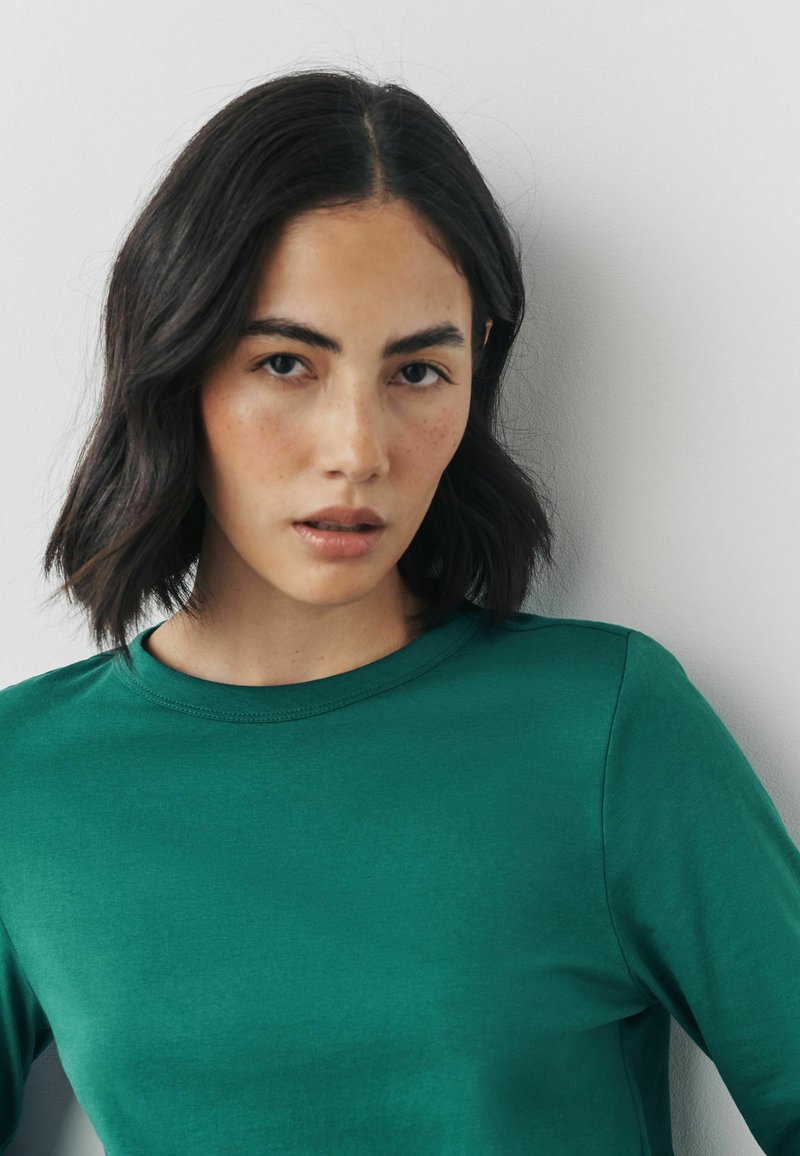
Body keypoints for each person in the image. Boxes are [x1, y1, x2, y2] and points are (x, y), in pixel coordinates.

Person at [1, 68, 798, 1156]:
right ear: (175, 367)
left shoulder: (604, 728)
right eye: (287, 362)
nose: (358, 450)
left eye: (417, 371)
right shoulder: (27, 780)